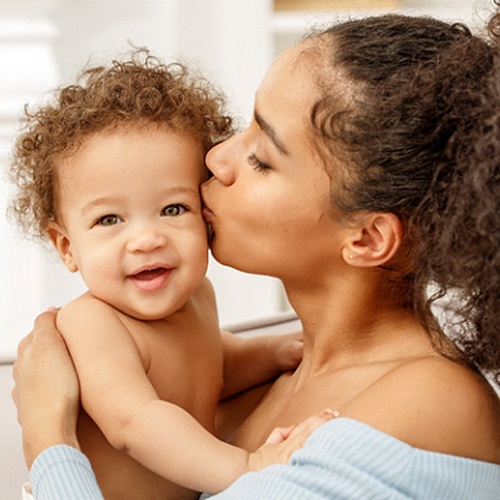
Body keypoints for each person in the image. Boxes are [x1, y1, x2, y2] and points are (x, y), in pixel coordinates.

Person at [12, 8, 500, 500]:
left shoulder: (431, 404)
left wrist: (48, 435)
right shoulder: (272, 380)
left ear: (368, 238)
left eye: (261, 158)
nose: (214, 157)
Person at [7, 53, 336, 500]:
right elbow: (135, 422)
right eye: (109, 220)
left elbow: (212, 362)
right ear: (66, 246)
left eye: (172, 209)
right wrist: (249, 466)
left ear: (205, 213)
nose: (145, 239)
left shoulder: (198, 295)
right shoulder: (91, 325)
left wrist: (274, 352)